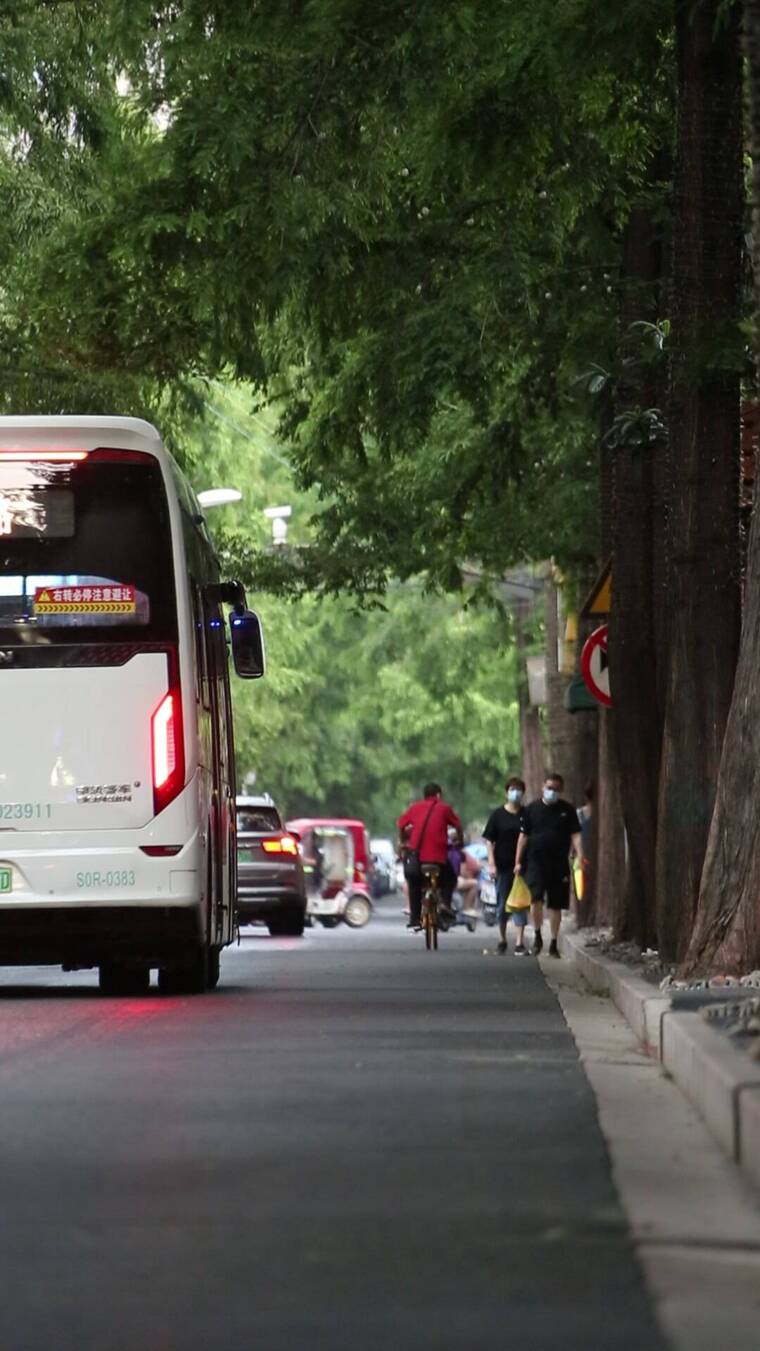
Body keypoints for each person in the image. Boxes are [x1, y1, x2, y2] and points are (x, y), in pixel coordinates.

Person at [514, 771, 583, 958]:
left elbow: (575, 835)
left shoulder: (567, 810)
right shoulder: (531, 809)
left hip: (559, 863)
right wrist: (518, 861)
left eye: (556, 789)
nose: (552, 791)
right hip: (535, 862)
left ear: (561, 790)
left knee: (556, 905)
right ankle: (537, 936)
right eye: (549, 788)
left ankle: (553, 941)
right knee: (535, 900)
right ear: (543, 787)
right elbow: (523, 837)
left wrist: (580, 855)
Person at [397, 783, 462, 930]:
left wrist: (403, 842)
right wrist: (460, 842)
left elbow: (401, 825)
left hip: (417, 858)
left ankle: (414, 918)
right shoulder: (444, 808)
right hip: (438, 859)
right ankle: (445, 904)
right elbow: (458, 826)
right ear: (438, 795)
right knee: (450, 878)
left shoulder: (415, 808)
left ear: (424, 795)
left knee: (414, 883)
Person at [483, 776, 528, 955]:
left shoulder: (527, 814)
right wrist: (492, 864)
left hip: (522, 866)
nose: (515, 793)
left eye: (518, 790)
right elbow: (488, 841)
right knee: (502, 903)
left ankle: (519, 941)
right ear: (506, 792)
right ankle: (502, 938)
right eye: (512, 790)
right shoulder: (497, 815)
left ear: (523, 793)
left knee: (519, 903)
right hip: (502, 866)